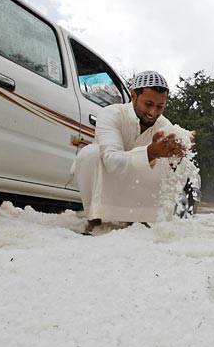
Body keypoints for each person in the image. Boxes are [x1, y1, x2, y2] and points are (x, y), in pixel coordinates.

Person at [71, 70, 190, 234]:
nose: (153, 112)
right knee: (89, 154)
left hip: (136, 189)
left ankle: (139, 218)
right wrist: (150, 153)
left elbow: (173, 170)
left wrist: (180, 152)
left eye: (160, 106)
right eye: (148, 104)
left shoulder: (164, 125)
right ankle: (95, 218)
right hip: (108, 182)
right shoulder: (111, 114)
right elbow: (112, 162)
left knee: (179, 162)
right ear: (133, 95)